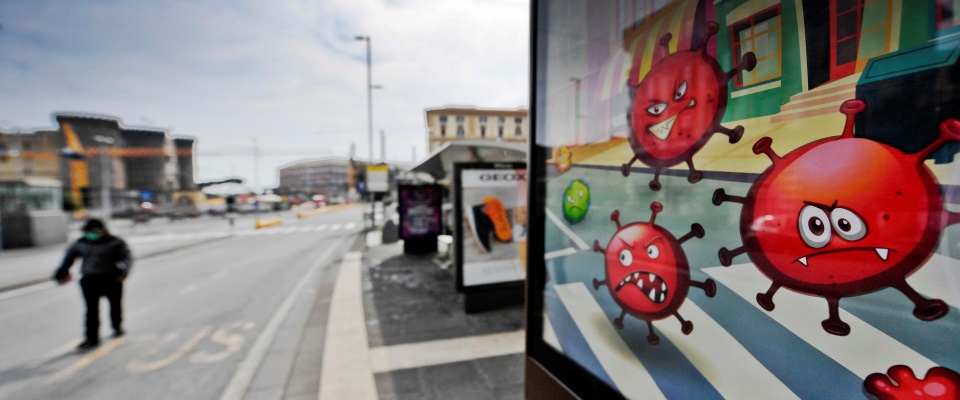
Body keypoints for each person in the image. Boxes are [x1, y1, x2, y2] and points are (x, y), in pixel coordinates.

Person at [53, 219, 132, 349]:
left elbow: (127, 258)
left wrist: (123, 274)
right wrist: (61, 273)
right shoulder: (81, 243)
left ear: (103, 230)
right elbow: (68, 258)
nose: (91, 234)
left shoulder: (115, 242)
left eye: (94, 232)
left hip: (112, 279)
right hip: (90, 280)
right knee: (91, 310)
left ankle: (117, 327)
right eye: (88, 232)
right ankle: (91, 338)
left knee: (115, 306)